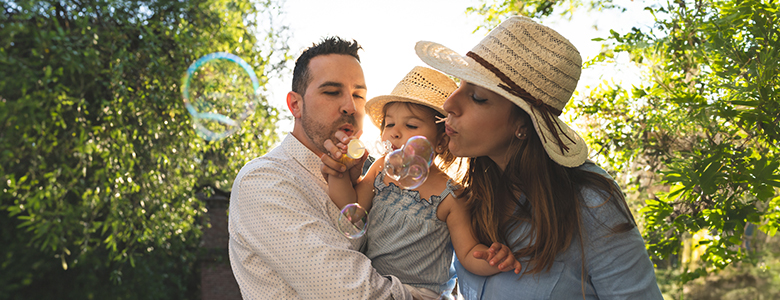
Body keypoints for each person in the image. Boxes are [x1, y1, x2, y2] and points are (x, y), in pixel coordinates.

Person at [414, 16, 665, 299]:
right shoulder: (471, 196)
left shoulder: (591, 203)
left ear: (524, 124)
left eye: (478, 97)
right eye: (459, 86)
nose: (449, 104)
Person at [228, 36, 415, 299]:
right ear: (295, 104)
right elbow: (346, 290)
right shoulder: (262, 181)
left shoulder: (371, 176)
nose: (350, 106)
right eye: (331, 92)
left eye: (359, 95)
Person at [319, 66, 521, 300]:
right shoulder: (381, 169)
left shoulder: (451, 196)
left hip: (421, 293)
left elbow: (467, 252)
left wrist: (491, 260)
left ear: (442, 141)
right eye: (389, 123)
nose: (394, 133)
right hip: (374, 284)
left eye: (411, 126)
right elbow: (351, 208)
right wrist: (339, 172)